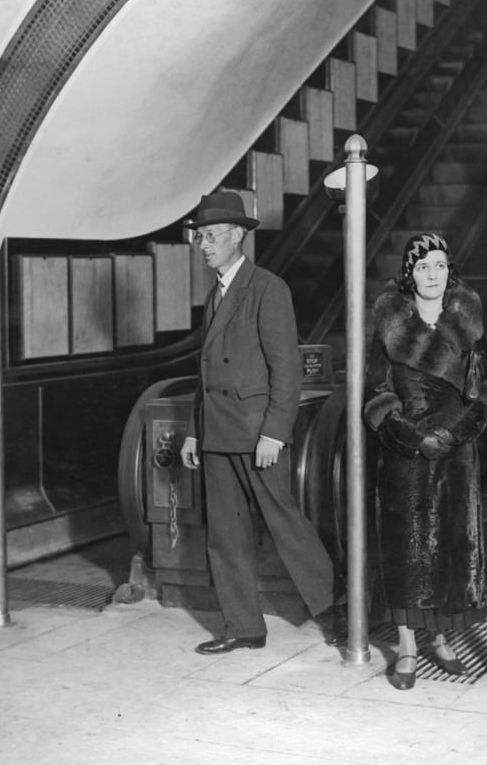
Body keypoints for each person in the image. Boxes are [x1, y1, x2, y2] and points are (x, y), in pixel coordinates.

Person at [179, 190, 334, 654]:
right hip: (218, 434)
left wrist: (273, 433)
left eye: (210, 236)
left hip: (254, 433)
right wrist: (193, 430)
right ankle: (243, 626)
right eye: (200, 237)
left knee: (286, 526)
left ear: (238, 236)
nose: (203, 245)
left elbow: (285, 369)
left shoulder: (267, 287)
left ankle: (339, 611)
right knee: (225, 535)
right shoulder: (215, 295)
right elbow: (205, 373)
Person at [363, 232, 487, 690]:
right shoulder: (388, 325)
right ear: (409, 274)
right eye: (422, 267)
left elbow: (484, 393)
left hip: (456, 450)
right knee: (407, 549)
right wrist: (411, 436)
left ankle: (439, 637)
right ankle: (407, 646)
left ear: (448, 270)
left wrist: (452, 434)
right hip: (406, 451)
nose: (431, 275)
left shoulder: (469, 324)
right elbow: (376, 392)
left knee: (449, 548)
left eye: (438, 265)